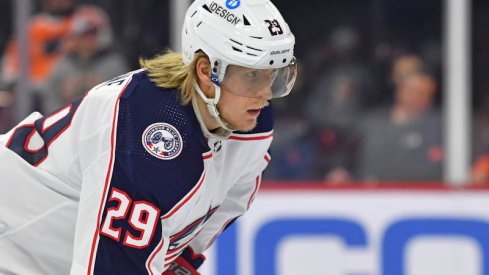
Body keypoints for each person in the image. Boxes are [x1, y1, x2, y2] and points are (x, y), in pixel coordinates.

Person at [0, 0, 297, 274]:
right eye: (251, 75)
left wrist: (180, 260)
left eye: (273, 75)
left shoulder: (250, 118)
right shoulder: (146, 137)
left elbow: (229, 201)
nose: (266, 94)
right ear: (207, 72)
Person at [355, 69, 443, 181]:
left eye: (426, 94)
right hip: (373, 194)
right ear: (400, 91)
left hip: (423, 195)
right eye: (415, 91)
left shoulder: (439, 128)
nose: (420, 98)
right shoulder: (372, 124)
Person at [41, 5, 129, 113]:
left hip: (103, 123)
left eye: (91, 34)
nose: (86, 40)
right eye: (82, 35)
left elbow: (122, 102)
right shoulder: (62, 65)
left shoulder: (115, 66)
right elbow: (50, 101)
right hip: (68, 124)